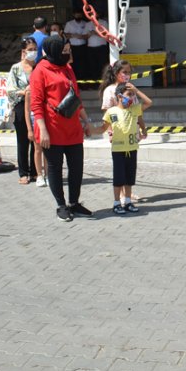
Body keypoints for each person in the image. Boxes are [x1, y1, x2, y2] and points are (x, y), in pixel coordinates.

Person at [30, 34, 98, 222]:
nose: (68, 54)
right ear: (54, 51)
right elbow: (36, 103)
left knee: (77, 167)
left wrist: (86, 121)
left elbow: (76, 97)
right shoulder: (40, 71)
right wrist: (42, 129)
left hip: (72, 126)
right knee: (55, 167)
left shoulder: (67, 68)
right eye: (65, 51)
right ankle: (61, 205)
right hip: (51, 127)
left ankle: (74, 203)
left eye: (69, 50)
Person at [95, 81, 153, 214]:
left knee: (129, 177)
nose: (131, 97)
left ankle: (128, 202)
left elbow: (149, 102)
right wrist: (90, 130)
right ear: (119, 96)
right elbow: (103, 128)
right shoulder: (111, 111)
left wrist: (136, 90)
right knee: (119, 178)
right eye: (129, 94)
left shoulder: (135, 109)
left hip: (132, 148)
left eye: (133, 95)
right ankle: (116, 203)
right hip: (118, 150)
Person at [7, 37, 38, 185]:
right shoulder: (16, 68)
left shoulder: (39, 67)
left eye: (35, 49)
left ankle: (35, 171)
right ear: (24, 51)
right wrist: (24, 92)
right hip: (21, 105)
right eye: (30, 49)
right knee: (23, 140)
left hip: (36, 105)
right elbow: (10, 89)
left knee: (36, 140)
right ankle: (23, 172)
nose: (33, 52)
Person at [64, 10, 94, 81]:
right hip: (73, 47)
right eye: (76, 14)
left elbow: (87, 35)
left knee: (83, 62)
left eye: (79, 14)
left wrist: (81, 36)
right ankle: (75, 78)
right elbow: (65, 34)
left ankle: (83, 78)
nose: (78, 16)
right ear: (74, 15)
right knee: (74, 62)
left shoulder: (85, 23)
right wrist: (73, 35)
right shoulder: (69, 23)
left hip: (83, 46)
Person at [87, 14, 110, 85]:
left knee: (102, 65)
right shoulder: (88, 24)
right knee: (92, 66)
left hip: (101, 47)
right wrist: (88, 34)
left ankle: (103, 83)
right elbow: (84, 36)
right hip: (91, 48)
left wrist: (95, 33)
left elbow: (107, 34)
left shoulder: (103, 22)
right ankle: (94, 84)